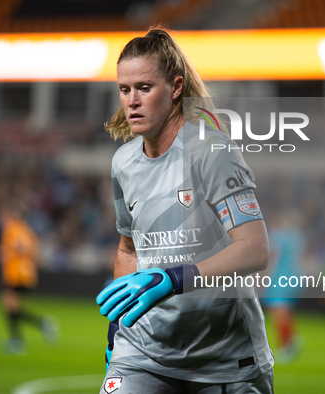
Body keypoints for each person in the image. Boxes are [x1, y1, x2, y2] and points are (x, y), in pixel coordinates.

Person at [96, 28, 274, 393]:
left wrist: (175, 278)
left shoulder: (212, 152)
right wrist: (118, 324)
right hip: (142, 352)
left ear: (175, 88)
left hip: (224, 360)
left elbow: (255, 249)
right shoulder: (123, 163)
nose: (132, 101)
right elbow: (128, 249)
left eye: (144, 88)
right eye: (124, 89)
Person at [0, 204, 57, 354]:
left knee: (10, 306)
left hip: (16, 273)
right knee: (11, 307)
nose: (2, 219)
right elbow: (33, 248)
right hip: (25, 273)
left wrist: (6, 252)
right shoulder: (26, 229)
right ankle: (38, 327)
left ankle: (19, 340)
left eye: (4, 216)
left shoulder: (13, 229)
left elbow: (20, 247)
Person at [262, 212, 306, 364]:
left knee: (278, 312)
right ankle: (293, 339)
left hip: (280, 277)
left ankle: (287, 346)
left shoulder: (277, 236)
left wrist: (263, 277)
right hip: (295, 276)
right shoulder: (298, 237)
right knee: (285, 311)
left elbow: (271, 257)